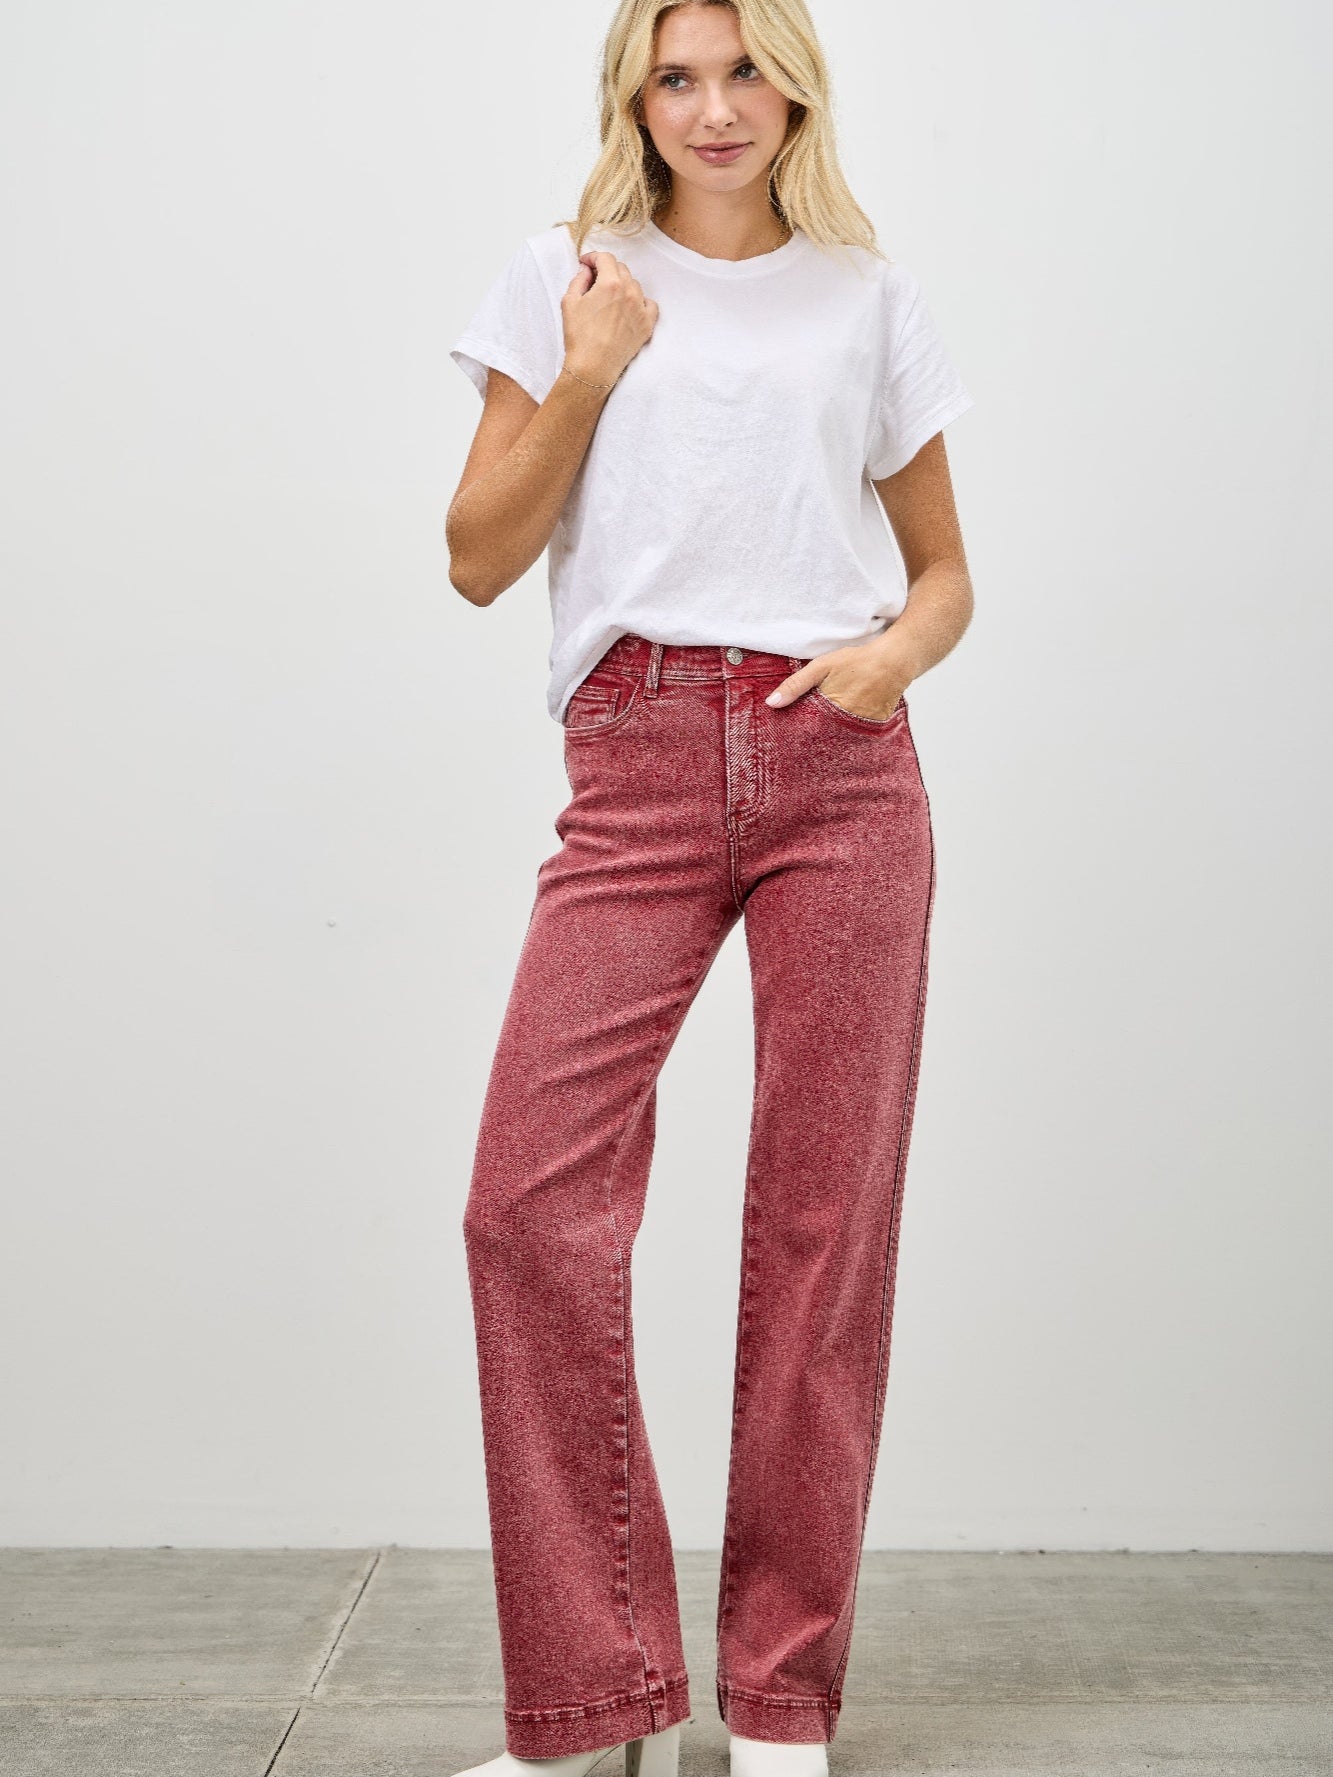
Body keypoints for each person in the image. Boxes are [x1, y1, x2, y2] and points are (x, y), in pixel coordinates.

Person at [444, 0, 975, 1772]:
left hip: (841, 762)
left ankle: (776, 1706)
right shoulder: (566, 273)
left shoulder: (865, 294)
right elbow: (473, 558)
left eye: (745, 69)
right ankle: (587, 1706)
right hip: (642, 752)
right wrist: (593, 365)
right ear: (633, 98)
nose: (715, 106)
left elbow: (944, 572)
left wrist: (888, 662)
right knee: (525, 1201)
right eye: (677, 75)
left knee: (823, 1234)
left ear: (794, 86)